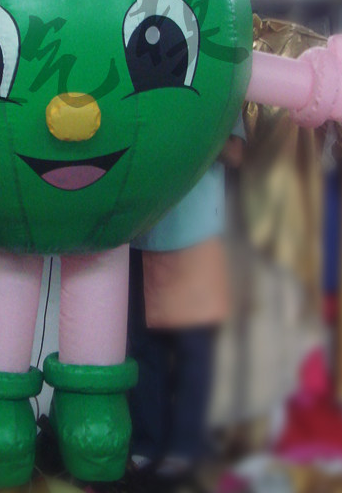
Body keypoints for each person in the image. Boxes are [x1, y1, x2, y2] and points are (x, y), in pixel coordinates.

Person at [128, 117, 245, 490]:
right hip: (142, 229)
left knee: (196, 348)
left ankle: (188, 447)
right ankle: (146, 445)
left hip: (198, 231)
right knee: (144, 347)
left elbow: (237, 152)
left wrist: (188, 130)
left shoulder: (222, 85)